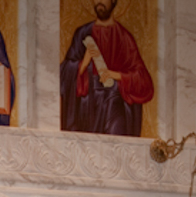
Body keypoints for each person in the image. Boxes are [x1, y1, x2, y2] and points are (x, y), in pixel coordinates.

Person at [59, 0, 154, 136]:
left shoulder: (124, 37)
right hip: (87, 108)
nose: (99, 2)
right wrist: (83, 63)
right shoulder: (82, 34)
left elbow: (143, 80)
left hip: (114, 105)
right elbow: (63, 75)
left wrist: (114, 75)